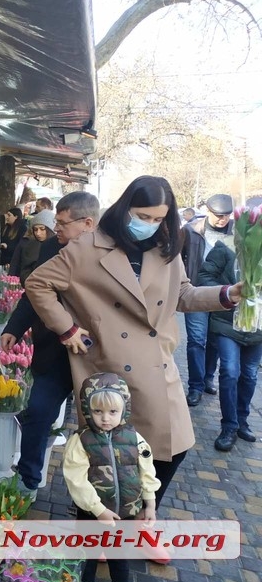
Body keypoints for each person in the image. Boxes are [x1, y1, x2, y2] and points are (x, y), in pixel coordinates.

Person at [25, 175, 243, 506]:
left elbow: (182, 294)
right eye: (143, 216)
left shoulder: (166, 249)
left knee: (174, 448)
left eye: (158, 219)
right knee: (111, 460)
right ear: (126, 209)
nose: (150, 225)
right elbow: (38, 283)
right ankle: (113, 534)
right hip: (110, 369)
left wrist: (227, 294)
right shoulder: (87, 246)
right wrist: (67, 328)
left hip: (157, 364)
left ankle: (142, 516)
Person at [1, 191, 101, 501]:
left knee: (100, 421)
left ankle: (96, 492)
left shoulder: (111, 255)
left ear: (87, 223)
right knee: (38, 410)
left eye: (61, 223)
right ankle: (30, 478)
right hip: (53, 351)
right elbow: (33, 290)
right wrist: (14, 328)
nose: (55, 228)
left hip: (95, 354)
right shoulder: (50, 248)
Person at [63, 372, 160, 582]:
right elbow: (76, 480)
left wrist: (150, 504)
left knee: (119, 555)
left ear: (123, 409)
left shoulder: (134, 439)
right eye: (98, 411)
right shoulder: (81, 441)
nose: (105, 418)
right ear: (88, 409)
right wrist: (98, 510)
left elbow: (147, 471)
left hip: (124, 513)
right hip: (92, 512)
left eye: (113, 412)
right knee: (89, 552)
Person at [198, 241, 262, 451]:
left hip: (257, 327)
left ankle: (242, 420)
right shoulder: (226, 247)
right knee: (229, 371)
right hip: (227, 323)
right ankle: (229, 426)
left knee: (250, 374)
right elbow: (204, 277)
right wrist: (228, 293)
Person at [181, 193, 235, 407]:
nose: (222, 219)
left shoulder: (237, 233)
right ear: (208, 212)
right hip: (195, 293)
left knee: (214, 341)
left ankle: (207, 379)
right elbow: (176, 257)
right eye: (218, 215)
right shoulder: (191, 230)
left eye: (227, 215)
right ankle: (195, 386)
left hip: (224, 296)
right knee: (196, 340)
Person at [8, 209, 56, 285]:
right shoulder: (28, 244)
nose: (38, 233)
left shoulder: (58, 247)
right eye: (35, 229)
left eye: (42, 229)